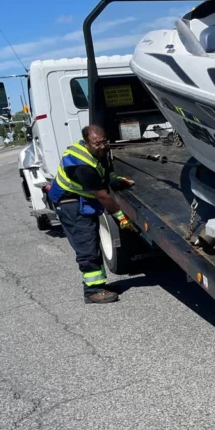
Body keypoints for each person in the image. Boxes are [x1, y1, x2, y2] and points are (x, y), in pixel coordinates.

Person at [46, 124, 135, 304]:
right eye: (97, 143)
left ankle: (99, 285)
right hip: (69, 204)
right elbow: (102, 196)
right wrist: (121, 217)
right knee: (86, 245)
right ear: (86, 143)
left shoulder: (96, 152)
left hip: (79, 200)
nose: (102, 146)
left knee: (93, 243)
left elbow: (104, 171)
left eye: (104, 141)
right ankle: (92, 291)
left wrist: (114, 179)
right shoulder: (80, 165)